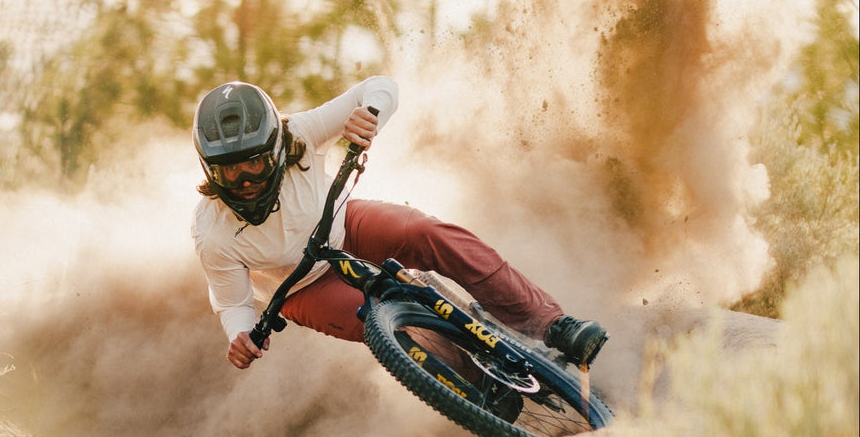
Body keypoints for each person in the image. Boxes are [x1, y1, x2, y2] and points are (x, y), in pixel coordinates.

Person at [191, 77, 607, 371]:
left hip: (340, 226)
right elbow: (233, 302)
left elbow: (381, 85)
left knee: (427, 234)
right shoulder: (212, 233)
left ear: (276, 149)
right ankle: (491, 390)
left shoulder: (298, 134)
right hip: (299, 286)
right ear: (210, 171)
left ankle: (554, 325)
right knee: (386, 320)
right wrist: (241, 335)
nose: (245, 180)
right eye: (229, 171)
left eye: (254, 162)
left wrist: (369, 115)